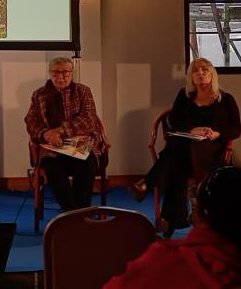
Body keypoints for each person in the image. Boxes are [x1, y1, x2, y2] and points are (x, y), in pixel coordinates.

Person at [129, 58, 240, 237]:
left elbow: (236, 128)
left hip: (211, 152)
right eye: (195, 70)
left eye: (204, 69)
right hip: (185, 150)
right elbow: (174, 120)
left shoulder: (225, 99)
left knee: (180, 150)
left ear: (212, 74)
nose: (200, 73)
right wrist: (192, 129)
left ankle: (148, 185)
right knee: (180, 153)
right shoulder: (184, 96)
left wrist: (217, 134)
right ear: (191, 77)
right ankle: (169, 217)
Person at [105, 165, 241, 289]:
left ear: (200, 213)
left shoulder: (164, 262)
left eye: (194, 195)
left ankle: (147, 185)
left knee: (176, 156)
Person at [24, 56, 108, 212]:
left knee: (87, 163)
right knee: (52, 166)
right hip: (52, 146)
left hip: (80, 143)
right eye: (56, 72)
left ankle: (82, 211)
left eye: (65, 72)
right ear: (49, 73)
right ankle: (71, 213)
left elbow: (88, 119)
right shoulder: (39, 94)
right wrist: (46, 134)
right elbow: (31, 121)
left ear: (72, 73)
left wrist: (60, 131)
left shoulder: (83, 91)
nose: (61, 76)